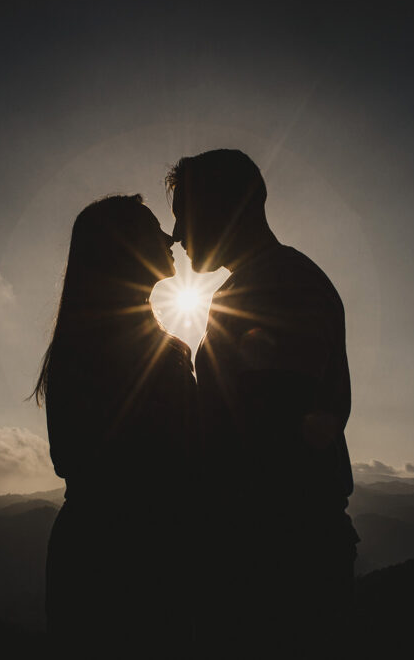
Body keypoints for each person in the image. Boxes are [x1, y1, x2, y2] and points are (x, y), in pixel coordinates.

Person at [167, 149, 358, 656]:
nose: (177, 235)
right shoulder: (259, 284)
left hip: (277, 562)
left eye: (183, 215)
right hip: (276, 552)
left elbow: (273, 440)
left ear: (223, 208)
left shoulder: (279, 286)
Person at [33, 194, 197, 658]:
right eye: (152, 230)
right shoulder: (151, 353)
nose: (170, 238)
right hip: (138, 562)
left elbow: (68, 457)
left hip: (92, 555)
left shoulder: (75, 348)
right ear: (123, 248)